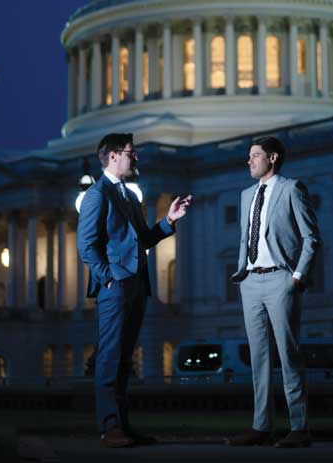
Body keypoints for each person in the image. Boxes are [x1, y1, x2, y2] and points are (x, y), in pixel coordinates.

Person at [76, 133, 192, 448]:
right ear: (113, 156)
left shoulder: (129, 196)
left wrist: (169, 219)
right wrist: (108, 277)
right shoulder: (97, 194)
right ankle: (109, 426)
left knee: (125, 359)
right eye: (131, 152)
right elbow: (86, 246)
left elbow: (143, 239)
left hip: (138, 285)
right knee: (110, 357)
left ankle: (123, 426)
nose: (135, 157)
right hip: (114, 288)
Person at [226, 136, 320, 448]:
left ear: (273, 158)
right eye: (249, 156)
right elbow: (245, 238)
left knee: (289, 354)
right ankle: (261, 426)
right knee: (259, 358)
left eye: (255, 155)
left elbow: (311, 237)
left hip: (281, 280)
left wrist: (296, 276)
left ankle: (299, 427)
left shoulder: (292, 188)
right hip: (251, 281)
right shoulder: (246, 195)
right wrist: (242, 272)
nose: (249, 161)